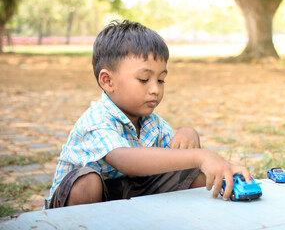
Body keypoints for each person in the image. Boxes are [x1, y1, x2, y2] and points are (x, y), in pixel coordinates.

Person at [45, 19, 251, 209]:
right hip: (81, 205)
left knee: (192, 174)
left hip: (127, 201)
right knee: (87, 181)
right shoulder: (96, 120)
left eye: (161, 80)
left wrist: (188, 134)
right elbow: (127, 160)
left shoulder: (153, 123)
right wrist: (200, 156)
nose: (155, 89)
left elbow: (171, 158)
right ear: (107, 81)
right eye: (144, 79)